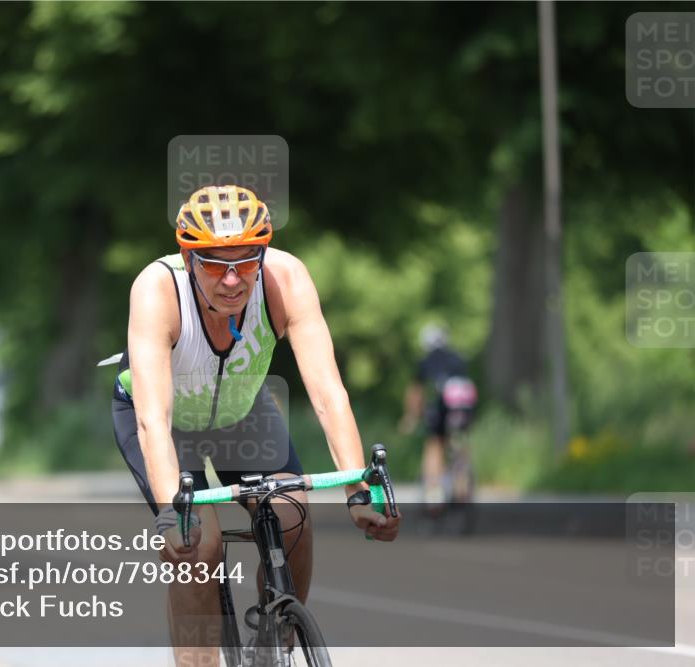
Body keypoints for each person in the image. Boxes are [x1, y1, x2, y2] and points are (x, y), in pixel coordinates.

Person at [111, 184, 400, 666]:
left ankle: (277, 643)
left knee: (293, 516)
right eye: (215, 263)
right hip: (164, 422)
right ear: (187, 257)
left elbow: (328, 392)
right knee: (198, 550)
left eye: (247, 261)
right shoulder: (157, 289)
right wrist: (171, 515)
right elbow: (153, 420)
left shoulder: (286, 279)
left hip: (239, 412)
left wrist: (358, 491)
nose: (232, 280)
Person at [399, 324, 477, 509]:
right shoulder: (458, 359)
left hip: (443, 406)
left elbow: (416, 393)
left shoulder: (426, 360)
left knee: (434, 443)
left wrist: (411, 417)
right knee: (460, 441)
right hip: (464, 407)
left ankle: (433, 492)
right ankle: (462, 484)